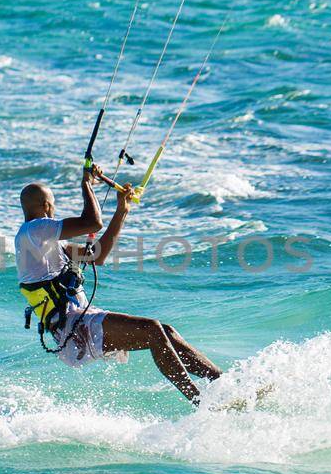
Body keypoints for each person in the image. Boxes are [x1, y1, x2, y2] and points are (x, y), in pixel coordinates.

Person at [15, 165, 222, 404]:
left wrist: (122, 210)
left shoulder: (44, 244)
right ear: (46, 206)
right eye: (52, 204)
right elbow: (92, 223)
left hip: (77, 324)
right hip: (75, 327)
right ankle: (201, 402)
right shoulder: (35, 228)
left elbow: (98, 256)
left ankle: (221, 382)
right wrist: (86, 185)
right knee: (153, 329)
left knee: (165, 331)